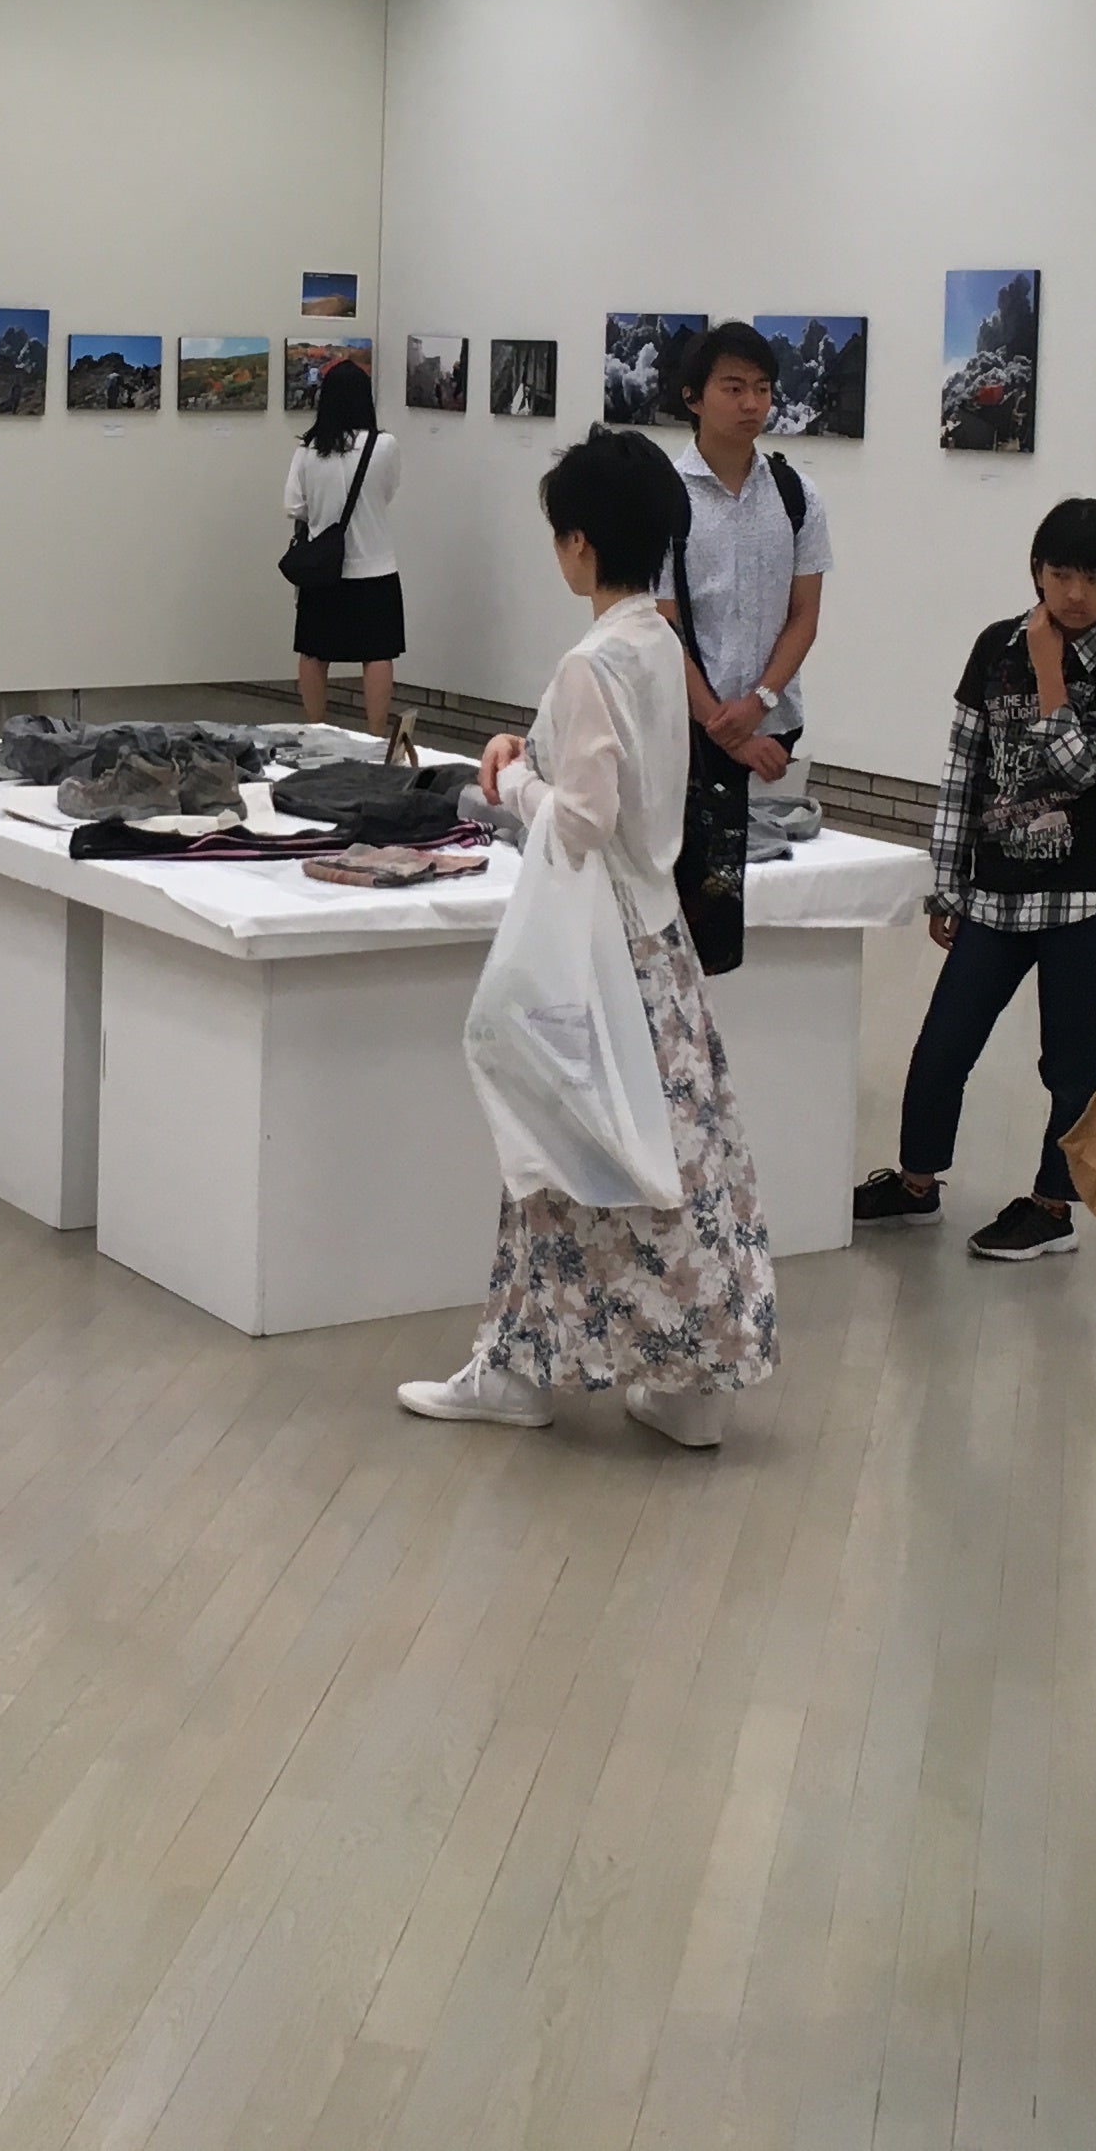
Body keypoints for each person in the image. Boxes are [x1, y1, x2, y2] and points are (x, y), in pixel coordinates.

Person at [398, 429, 775, 1447]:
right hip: (660, 950)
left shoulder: (592, 660)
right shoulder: (659, 644)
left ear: (578, 544)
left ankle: (521, 1370)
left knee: (557, 1153)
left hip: (595, 950)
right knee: (678, 1158)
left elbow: (581, 819)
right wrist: (533, 755)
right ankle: (690, 1385)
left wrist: (512, 783)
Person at [856, 497, 1096, 1258]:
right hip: (994, 896)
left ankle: (1053, 1208)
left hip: (1084, 898)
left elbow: (1077, 769)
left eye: (1095, 578)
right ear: (1037, 570)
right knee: (942, 1047)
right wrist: (947, 883)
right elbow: (963, 769)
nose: (1075, 594)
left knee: (1071, 1063)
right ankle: (917, 1184)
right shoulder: (995, 646)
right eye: (1061, 574)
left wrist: (1051, 667)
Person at [663, 322, 828, 804]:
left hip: (775, 726)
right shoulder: (663, 498)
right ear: (693, 398)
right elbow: (660, 628)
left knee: (770, 847)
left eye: (762, 388)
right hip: (686, 731)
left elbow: (805, 615)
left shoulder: (796, 495)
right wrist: (727, 732)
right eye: (734, 389)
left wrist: (760, 703)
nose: (752, 404)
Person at [285, 355, 403, 737]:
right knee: (378, 653)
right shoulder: (384, 446)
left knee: (313, 652)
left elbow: (293, 506)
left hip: (323, 569)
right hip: (375, 565)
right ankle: (376, 734)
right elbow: (388, 492)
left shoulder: (308, 450)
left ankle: (316, 730)